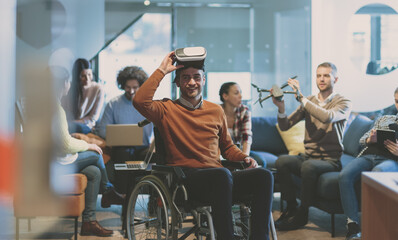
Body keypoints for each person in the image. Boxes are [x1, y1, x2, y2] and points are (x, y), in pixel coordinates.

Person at [133, 51, 274, 240]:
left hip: (221, 179)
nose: (192, 82)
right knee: (222, 174)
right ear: (178, 82)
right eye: (186, 78)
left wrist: (244, 157)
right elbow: (139, 101)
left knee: (264, 175)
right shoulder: (166, 109)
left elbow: (227, 147)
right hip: (188, 182)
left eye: (196, 77)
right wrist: (162, 70)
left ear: (204, 80)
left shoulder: (216, 110)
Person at [272, 62, 352, 230]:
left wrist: (302, 99)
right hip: (309, 157)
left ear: (335, 79)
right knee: (282, 161)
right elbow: (286, 125)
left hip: (330, 160)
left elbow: (328, 117)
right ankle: (291, 207)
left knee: (308, 166)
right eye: (318, 75)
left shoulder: (343, 102)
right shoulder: (309, 101)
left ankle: (302, 215)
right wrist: (281, 108)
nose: (321, 79)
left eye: (326, 75)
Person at [51, 66, 125, 237]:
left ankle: (89, 222)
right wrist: (88, 145)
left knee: (93, 173)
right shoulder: (55, 109)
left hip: (56, 157)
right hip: (56, 161)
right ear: (63, 84)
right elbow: (65, 144)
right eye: (68, 81)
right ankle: (108, 191)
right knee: (95, 154)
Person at [339, 87, 398, 240]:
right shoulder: (384, 119)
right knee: (345, 175)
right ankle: (352, 226)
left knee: (377, 174)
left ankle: (376, 227)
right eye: (397, 101)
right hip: (368, 155)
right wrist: (368, 140)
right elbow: (362, 140)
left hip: (391, 160)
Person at [95, 66, 153, 193]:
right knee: (124, 153)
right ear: (122, 85)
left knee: (154, 156)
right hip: (121, 148)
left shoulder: (148, 105)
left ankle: (154, 201)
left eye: (135, 87)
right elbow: (103, 131)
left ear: (141, 86)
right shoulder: (113, 104)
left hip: (143, 147)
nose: (131, 91)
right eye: (128, 87)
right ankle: (123, 196)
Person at [62, 58, 104, 134]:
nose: (87, 79)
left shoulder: (98, 89)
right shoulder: (70, 88)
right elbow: (66, 111)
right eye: (83, 76)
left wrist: (72, 123)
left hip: (87, 125)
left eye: (89, 74)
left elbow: (93, 118)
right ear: (77, 76)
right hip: (70, 124)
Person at [219, 82, 252, 155]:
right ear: (225, 96)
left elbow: (246, 137)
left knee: (260, 161)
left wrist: (245, 157)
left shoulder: (244, 111)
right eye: (236, 93)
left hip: (239, 151)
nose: (241, 96)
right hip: (219, 152)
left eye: (240, 93)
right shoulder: (216, 111)